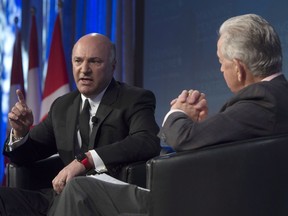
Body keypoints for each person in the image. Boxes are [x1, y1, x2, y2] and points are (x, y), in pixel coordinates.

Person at [32, 13, 288, 216]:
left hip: (197, 202)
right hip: (216, 193)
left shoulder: (261, 100)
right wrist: (202, 129)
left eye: (222, 62)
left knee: (79, 188)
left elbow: (181, 137)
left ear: (240, 69)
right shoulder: (275, 97)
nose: (221, 69)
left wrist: (178, 112)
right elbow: (230, 145)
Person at [0, 33, 161, 215]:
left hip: (105, 199)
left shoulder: (134, 99)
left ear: (113, 66)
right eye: (78, 61)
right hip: (59, 197)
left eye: (95, 62)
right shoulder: (63, 106)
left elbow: (147, 141)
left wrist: (87, 160)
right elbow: (26, 156)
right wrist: (20, 133)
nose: (84, 69)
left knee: (75, 189)